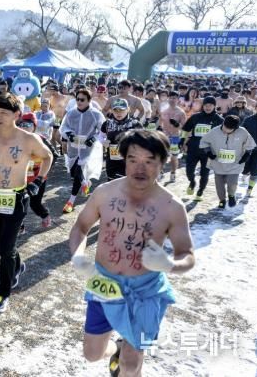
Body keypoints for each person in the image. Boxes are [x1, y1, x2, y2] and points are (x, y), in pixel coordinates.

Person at [69, 129, 195, 377]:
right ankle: (115, 348)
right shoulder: (105, 193)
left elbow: (187, 255)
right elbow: (81, 227)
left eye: (149, 161)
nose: (140, 168)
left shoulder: (172, 206)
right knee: (92, 354)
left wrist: (169, 264)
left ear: (162, 163)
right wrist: (78, 256)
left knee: (131, 364)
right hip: (103, 283)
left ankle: (128, 354)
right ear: (123, 159)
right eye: (133, 159)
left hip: (146, 290)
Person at [0, 95, 52, 313]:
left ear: (16, 115)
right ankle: (18, 265)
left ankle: (2, 293)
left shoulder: (28, 139)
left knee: (5, 251)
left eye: (4, 113)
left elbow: (48, 156)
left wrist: (38, 181)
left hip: (16, 199)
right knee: (4, 245)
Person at [60, 89, 105, 213]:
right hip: (73, 149)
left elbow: (103, 130)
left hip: (87, 149)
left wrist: (94, 138)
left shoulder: (96, 114)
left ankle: (71, 201)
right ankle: (85, 182)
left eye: (82, 100)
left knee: (78, 172)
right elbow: (64, 127)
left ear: (89, 100)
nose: (79, 102)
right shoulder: (71, 113)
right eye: (77, 99)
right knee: (74, 172)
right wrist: (68, 134)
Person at [200, 115, 256, 208]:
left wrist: (246, 156)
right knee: (219, 183)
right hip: (218, 163)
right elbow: (204, 142)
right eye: (225, 127)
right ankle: (222, 200)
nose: (225, 130)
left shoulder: (242, 132)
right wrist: (209, 153)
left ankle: (231, 195)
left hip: (235, 163)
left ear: (236, 128)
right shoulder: (215, 131)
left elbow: (250, 145)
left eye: (229, 129)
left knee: (232, 182)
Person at [180, 96, 224, 200]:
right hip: (193, 149)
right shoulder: (195, 117)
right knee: (189, 171)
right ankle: (192, 182)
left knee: (204, 173)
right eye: (206, 105)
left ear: (214, 106)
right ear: (203, 106)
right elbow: (186, 129)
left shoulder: (219, 120)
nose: (208, 107)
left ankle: (200, 191)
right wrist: (182, 140)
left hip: (209, 152)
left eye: (210, 105)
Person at [18, 112, 57, 228]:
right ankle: (19, 225)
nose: (24, 127)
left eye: (28, 125)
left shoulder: (41, 139)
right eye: (22, 124)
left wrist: (44, 171)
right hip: (20, 176)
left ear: (34, 127)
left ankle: (45, 216)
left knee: (35, 204)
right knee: (18, 202)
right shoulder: (15, 139)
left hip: (37, 178)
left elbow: (54, 155)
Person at [99, 99, 143, 181]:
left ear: (128, 109)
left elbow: (143, 141)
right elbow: (100, 136)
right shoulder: (107, 123)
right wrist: (103, 142)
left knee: (128, 183)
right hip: (112, 160)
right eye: (115, 110)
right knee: (112, 182)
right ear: (112, 111)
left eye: (122, 110)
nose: (118, 113)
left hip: (129, 161)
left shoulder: (135, 124)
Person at [159, 91, 186, 182]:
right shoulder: (164, 110)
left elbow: (185, 127)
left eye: (174, 98)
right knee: (161, 156)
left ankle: (173, 173)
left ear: (178, 100)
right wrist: (158, 128)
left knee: (174, 157)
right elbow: (160, 122)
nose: (172, 100)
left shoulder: (181, 112)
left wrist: (177, 125)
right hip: (164, 137)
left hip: (175, 137)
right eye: (170, 98)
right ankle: (160, 172)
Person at [241, 100, 257, 197]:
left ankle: (249, 189)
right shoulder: (248, 120)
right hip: (248, 150)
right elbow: (241, 133)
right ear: (255, 108)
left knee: (255, 171)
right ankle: (245, 174)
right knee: (245, 169)